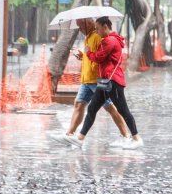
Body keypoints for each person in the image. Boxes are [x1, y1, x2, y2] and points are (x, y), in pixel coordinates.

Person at [65, 16, 143, 150]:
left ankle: (136, 138)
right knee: (92, 108)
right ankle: (80, 139)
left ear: (105, 27)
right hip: (105, 81)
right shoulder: (110, 39)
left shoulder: (110, 41)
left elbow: (99, 58)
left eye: (98, 28)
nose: (97, 31)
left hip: (113, 82)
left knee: (123, 110)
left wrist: (88, 53)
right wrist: (87, 55)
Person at [53, 18, 128, 147]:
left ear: (88, 23)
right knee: (79, 104)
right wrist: (84, 56)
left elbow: (100, 58)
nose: (79, 29)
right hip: (86, 80)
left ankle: (125, 135)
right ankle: (69, 134)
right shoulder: (88, 37)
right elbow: (91, 56)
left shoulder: (98, 37)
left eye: (80, 25)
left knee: (110, 108)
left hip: (96, 80)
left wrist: (89, 56)